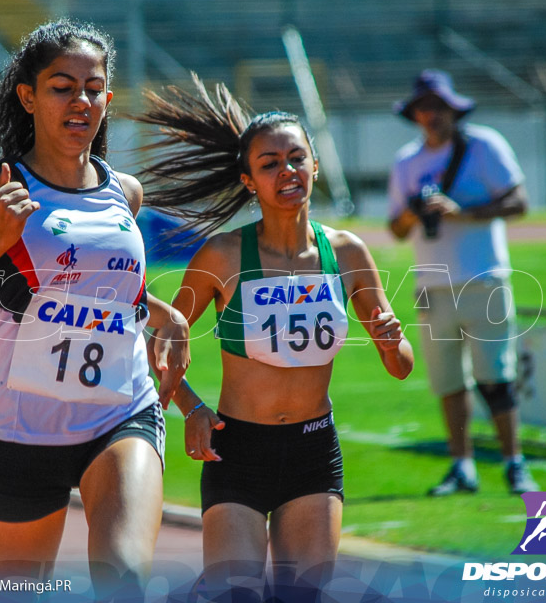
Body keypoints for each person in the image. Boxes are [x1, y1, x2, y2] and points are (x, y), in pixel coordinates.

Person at [0, 20, 189, 599]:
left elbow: (101, 286)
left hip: (118, 413)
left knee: (125, 580)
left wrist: (162, 313)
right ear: (28, 96)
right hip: (20, 429)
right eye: (62, 86)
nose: (81, 100)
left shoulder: (123, 192)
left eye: (94, 87)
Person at [134, 77, 413, 599]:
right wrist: (191, 407)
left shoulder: (347, 253)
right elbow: (158, 338)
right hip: (236, 451)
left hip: (313, 452)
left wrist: (388, 339)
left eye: (296, 158)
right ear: (249, 182)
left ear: (314, 165)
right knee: (234, 592)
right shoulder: (223, 256)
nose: (287, 171)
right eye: (270, 164)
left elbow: (401, 365)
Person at [387, 69, 539, 496]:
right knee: (447, 382)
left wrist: (462, 213)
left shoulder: (484, 146)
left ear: (454, 110)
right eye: (423, 109)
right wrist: (417, 212)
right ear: (414, 115)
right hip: (433, 284)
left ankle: (514, 462)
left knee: (497, 377)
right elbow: (396, 227)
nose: (431, 116)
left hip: (484, 278)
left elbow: (519, 201)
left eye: (438, 107)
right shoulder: (406, 161)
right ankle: (462, 466)